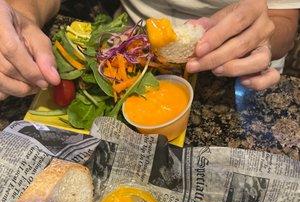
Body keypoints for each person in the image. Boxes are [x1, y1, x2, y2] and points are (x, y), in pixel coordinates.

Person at [0, 0, 298, 101]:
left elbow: (284, 19)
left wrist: (263, 39)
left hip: (240, 74)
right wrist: (19, 18)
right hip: (129, 57)